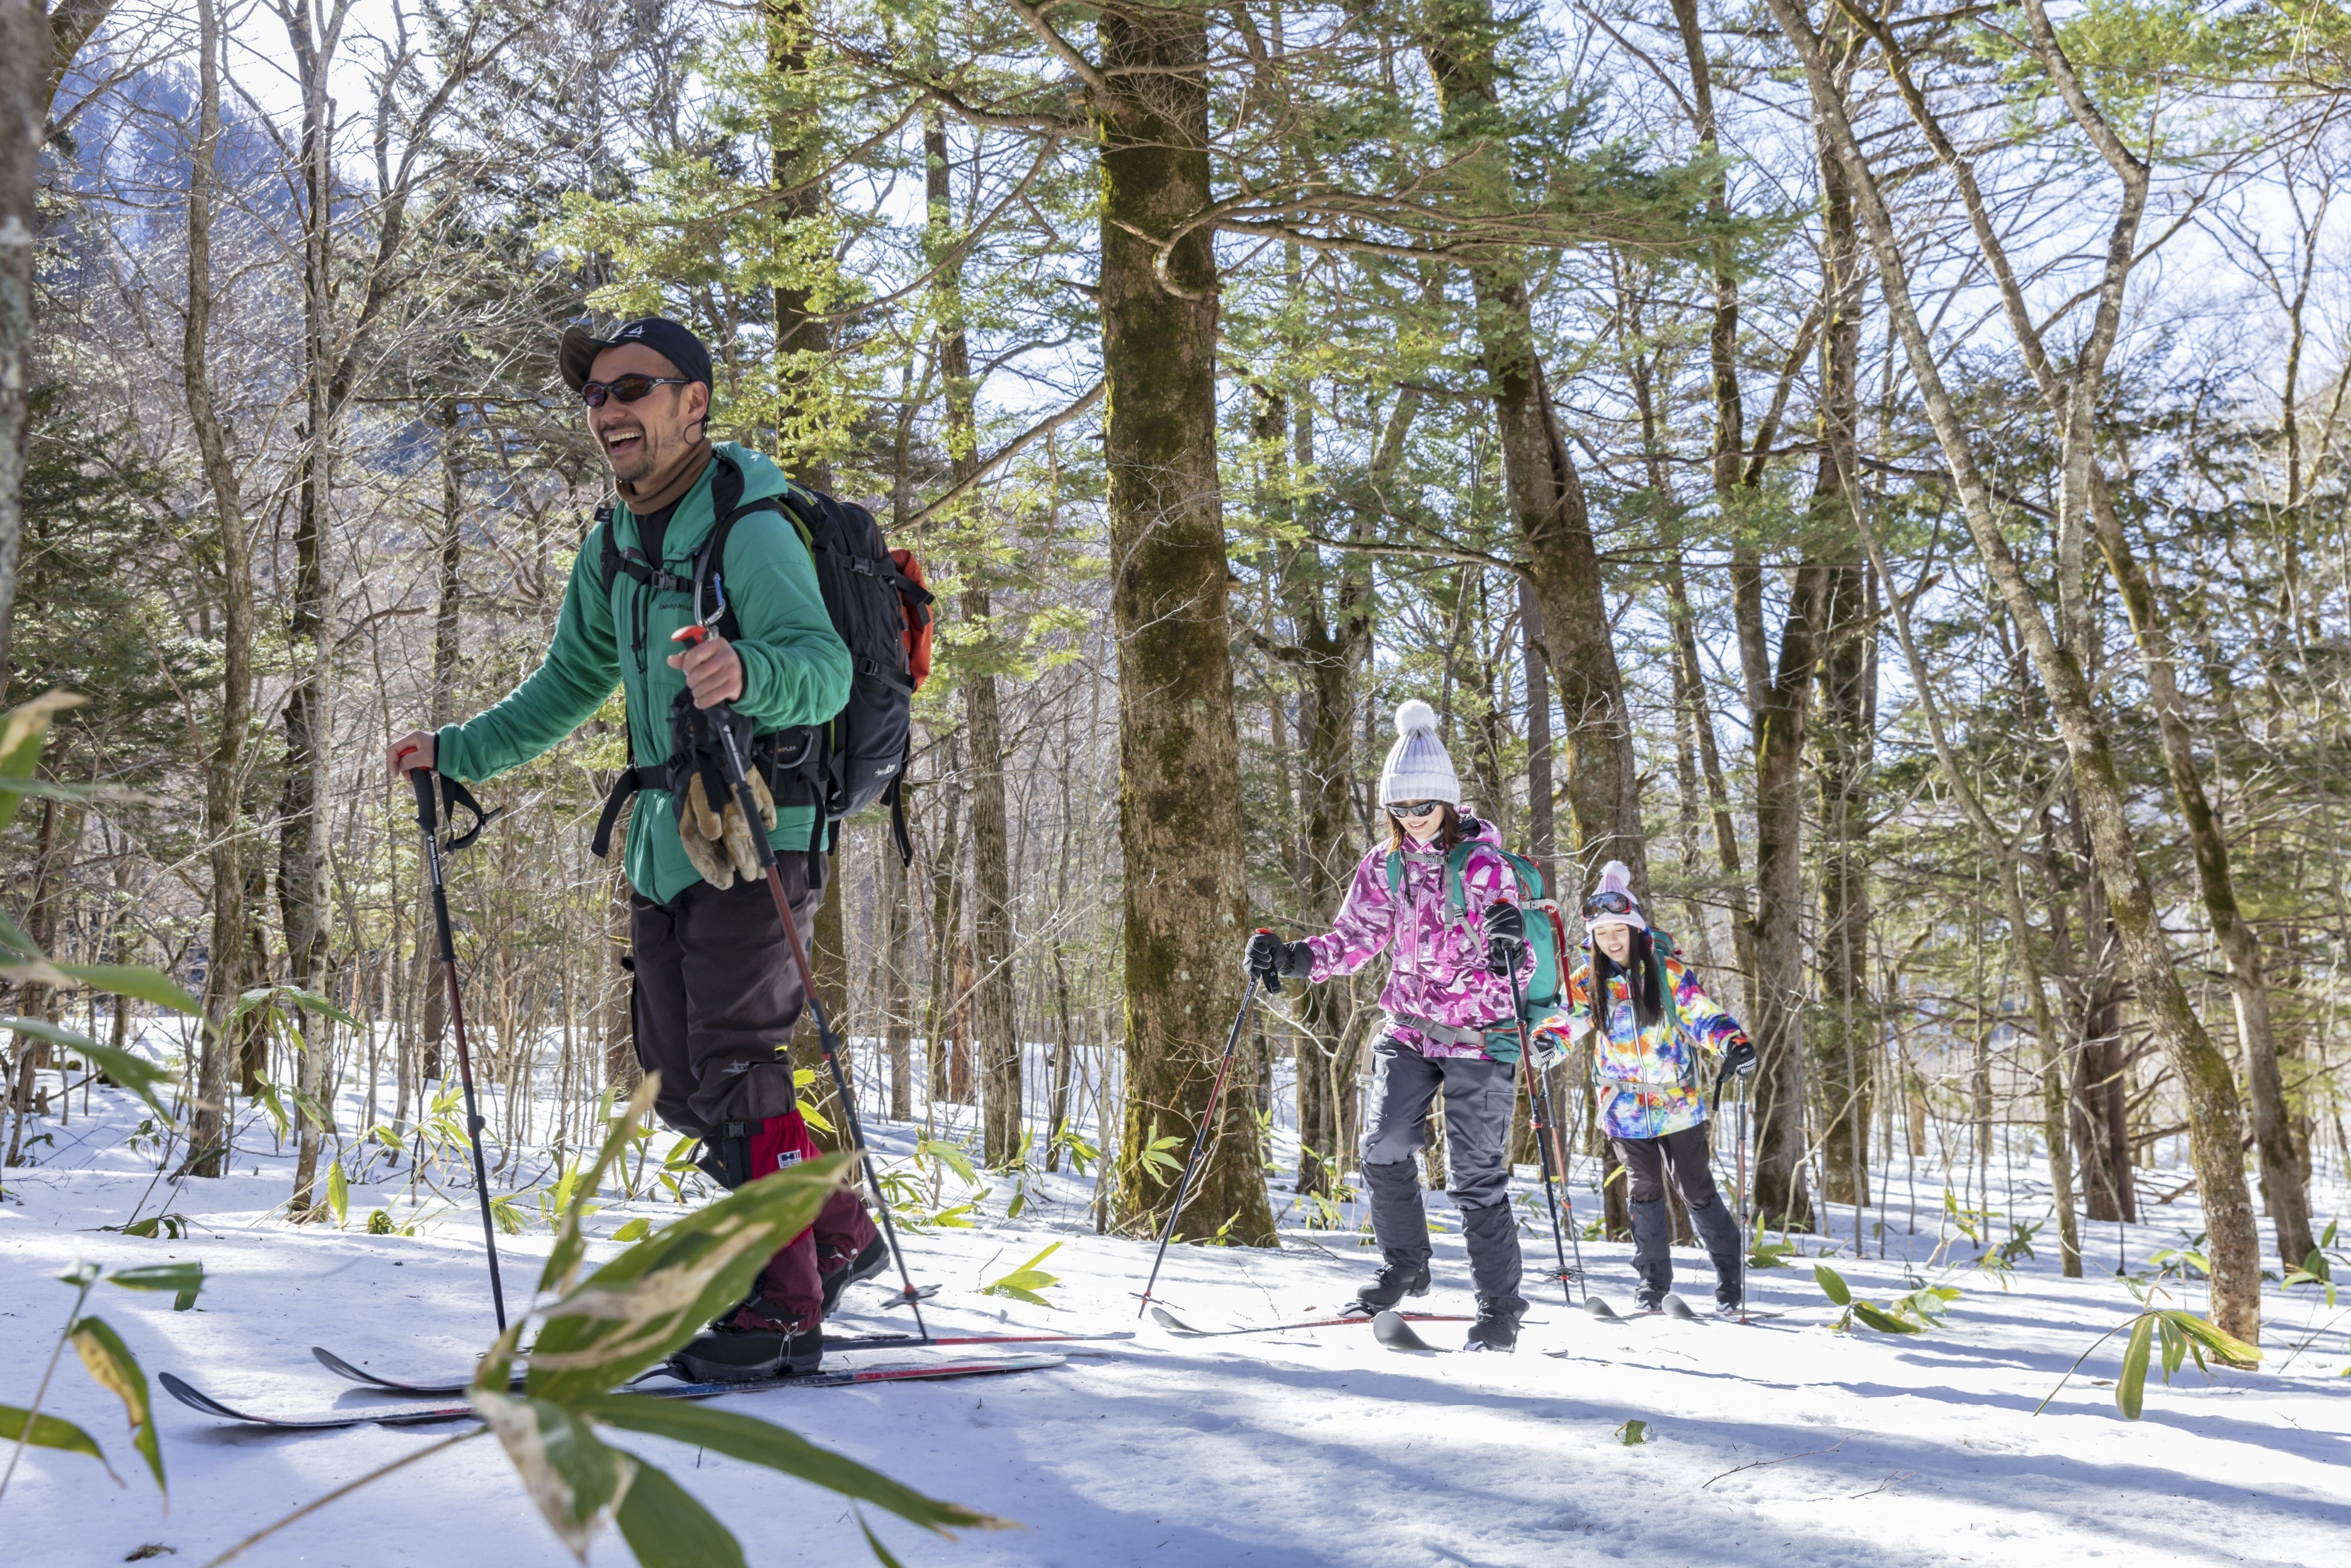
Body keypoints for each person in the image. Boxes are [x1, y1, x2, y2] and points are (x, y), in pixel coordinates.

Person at [386, 316, 884, 1381]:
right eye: (596, 394)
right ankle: (838, 1229)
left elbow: (825, 671)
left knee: (739, 1065)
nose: (608, 409)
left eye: (633, 388)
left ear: (693, 404)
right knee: (678, 1078)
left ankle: (783, 1310)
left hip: (762, 832)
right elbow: (569, 682)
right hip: (668, 840)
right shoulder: (613, 543)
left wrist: (748, 672)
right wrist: (457, 751)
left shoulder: (750, 528)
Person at [1245, 700, 1535, 1352]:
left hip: (1478, 1037)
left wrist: (1509, 943)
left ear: (1447, 801)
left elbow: (1523, 964)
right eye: (1399, 807)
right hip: (1408, 1027)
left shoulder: (1486, 867)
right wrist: (1291, 957)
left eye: (1423, 805)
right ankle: (1406, 1266)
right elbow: (1354, 938)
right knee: (1382, 1147)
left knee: (1474, 1174)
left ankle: (1499, 1310)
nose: (1412, 817)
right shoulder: (1384, 864)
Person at [1553, 861, 1757, 1315]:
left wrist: (1733, 1042)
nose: (1611, 940)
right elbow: (1566, 1021)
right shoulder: (1587, 981)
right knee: (1643, 1189)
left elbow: (1700, 1013)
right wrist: (1548, 1041)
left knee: (1695, 1189)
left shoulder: (1665, 972)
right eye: (1602, 933)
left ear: (1635, 930)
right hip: (1623, 1105)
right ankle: (1651, 1285)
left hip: (1676, 1102)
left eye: (1619, 930)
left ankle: (1730, 1280)